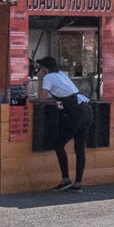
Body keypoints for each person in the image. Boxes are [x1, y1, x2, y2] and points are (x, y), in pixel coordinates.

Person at [37, 56, 91, 191]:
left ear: (45, 68)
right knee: (79, 148)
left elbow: (41, 98)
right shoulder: (60, 74)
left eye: (41, 67)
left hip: (75, 112)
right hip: (85, 108)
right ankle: (78, 183)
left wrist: (39, 80)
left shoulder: (48, 77)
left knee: (58, 144)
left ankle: (66, 179)